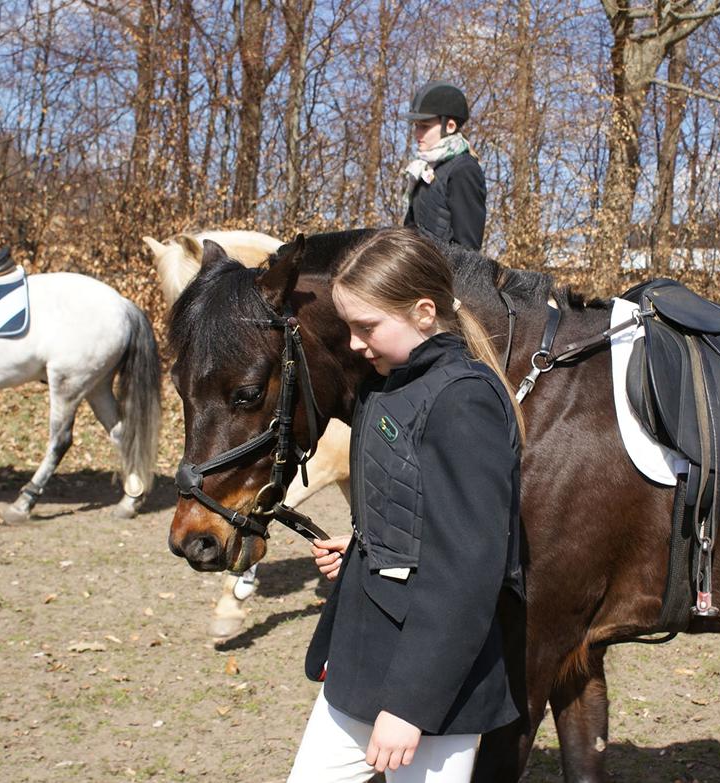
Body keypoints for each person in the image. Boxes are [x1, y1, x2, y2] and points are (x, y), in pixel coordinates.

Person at [287, 228, 524, 782]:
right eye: (348, 327)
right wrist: (368, 543)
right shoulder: (385, 386)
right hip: (365, 654)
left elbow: (468, 570)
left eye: (366, 326)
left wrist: (411, 706)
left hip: (433, 679)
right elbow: (418, 509)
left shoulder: (464, 400)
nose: (353, 344)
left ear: (423, 312)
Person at [402, 81, 487, 252]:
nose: (417, 134)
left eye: (424, 127)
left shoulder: (464, 169)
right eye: (416, 126)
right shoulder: (423, 170)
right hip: (418, 272)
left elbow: (468, 248)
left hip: (445, 276)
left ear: (449, 126)